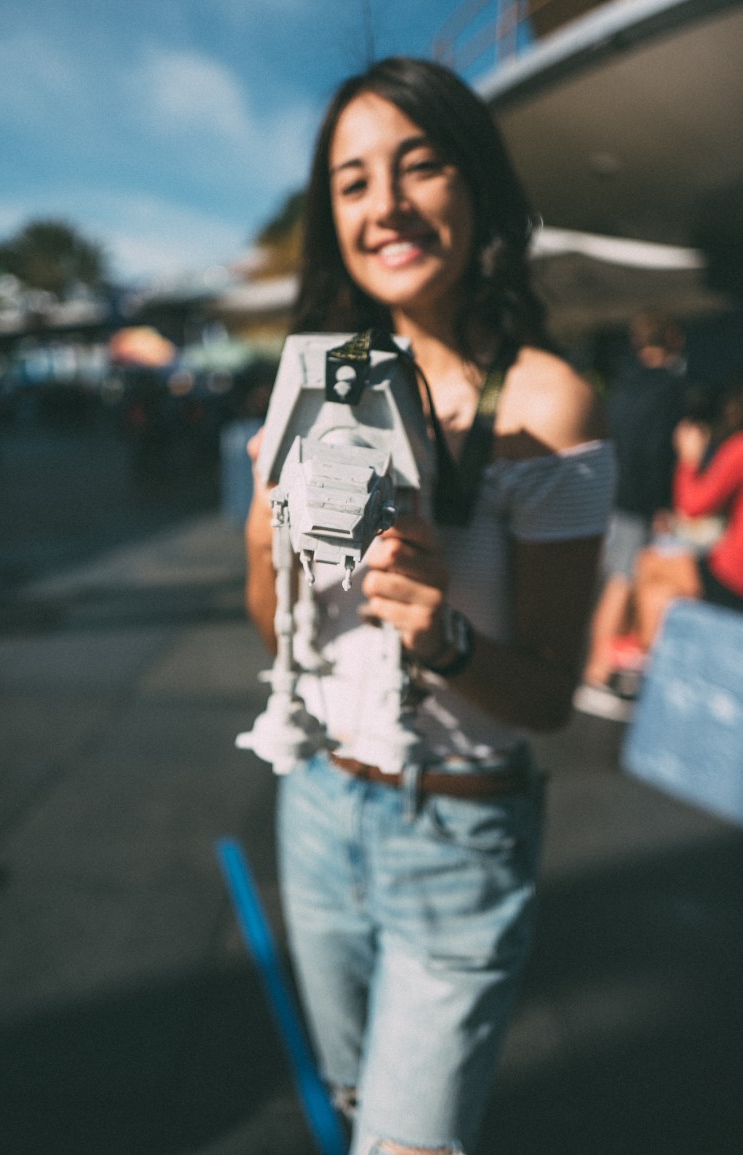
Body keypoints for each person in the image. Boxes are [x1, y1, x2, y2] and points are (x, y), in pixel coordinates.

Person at [244, 57, 615, 1155]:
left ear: (478, 190)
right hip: (316, 809)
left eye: (420, 165)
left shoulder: (545, 400)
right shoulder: (324, 377)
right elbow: (276, 631)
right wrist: (266, 539)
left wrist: (441, 633)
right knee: (356, 1105)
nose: (385, 205)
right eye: (352, 182)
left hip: (458, 831)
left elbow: (549, 698)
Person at [574, 312, 688, 719]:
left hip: (613, 492)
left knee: (617, 580)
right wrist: (660, 503)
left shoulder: (627, 381)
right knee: (621, 582)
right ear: (672, 337)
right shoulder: (669, 388)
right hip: (638, 499)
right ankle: (597, 674)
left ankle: (605, 669)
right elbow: (656, 449)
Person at [632, 375, 743, 650]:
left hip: (732, 576)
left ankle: (649, 668)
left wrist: (688, 458)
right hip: (728, 568)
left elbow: (693, 506)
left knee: (650, 570)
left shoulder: (739, 449)